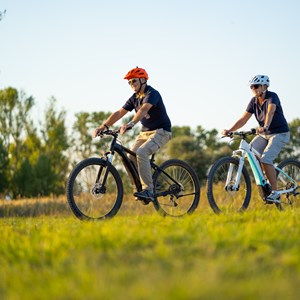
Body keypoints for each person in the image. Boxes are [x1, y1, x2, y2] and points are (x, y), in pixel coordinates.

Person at [93, 67, 172, 203]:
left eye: (134, 81)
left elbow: (143, 109)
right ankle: (140, 188)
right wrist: (104, 126)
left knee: (141, 152)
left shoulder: (152, 93)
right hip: (145, 133)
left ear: (143, 80)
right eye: (129, 83)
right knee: (130, 157)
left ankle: (149, 189)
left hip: (161, 131)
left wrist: (131, 124)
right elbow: (119, 113)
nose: (132, 85)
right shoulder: (135, 98)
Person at [222, 75, 290, 203]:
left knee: (266, 159)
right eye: (251, 87)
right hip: (264, 134)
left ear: (264, 86)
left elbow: (270, 112)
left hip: (279, 133)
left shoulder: (272, 96)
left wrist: (265, 126)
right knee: (250, 154)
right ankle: (265, 177)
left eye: (256, 86)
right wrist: (230, 130)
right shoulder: (253, 101)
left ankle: (275, 192)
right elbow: (243, 119)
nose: (253, 89)